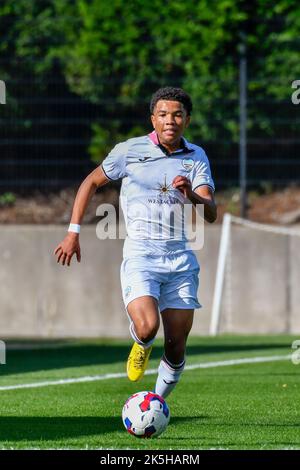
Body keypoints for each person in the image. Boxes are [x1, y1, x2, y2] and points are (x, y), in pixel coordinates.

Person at [54, 87, 217, 398]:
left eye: (178, 115)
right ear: (153, 119)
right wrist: (73, 231)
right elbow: (91, 182)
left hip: (181, 259)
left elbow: (211, 212)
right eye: (164, 115)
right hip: (142, 256)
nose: (171, 120)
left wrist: (191, 195)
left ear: (187, 120)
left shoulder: (197, 156)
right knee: (147, 327)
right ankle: (141, 344)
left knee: (176, 344)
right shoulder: (129, 151)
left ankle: (154, 402)